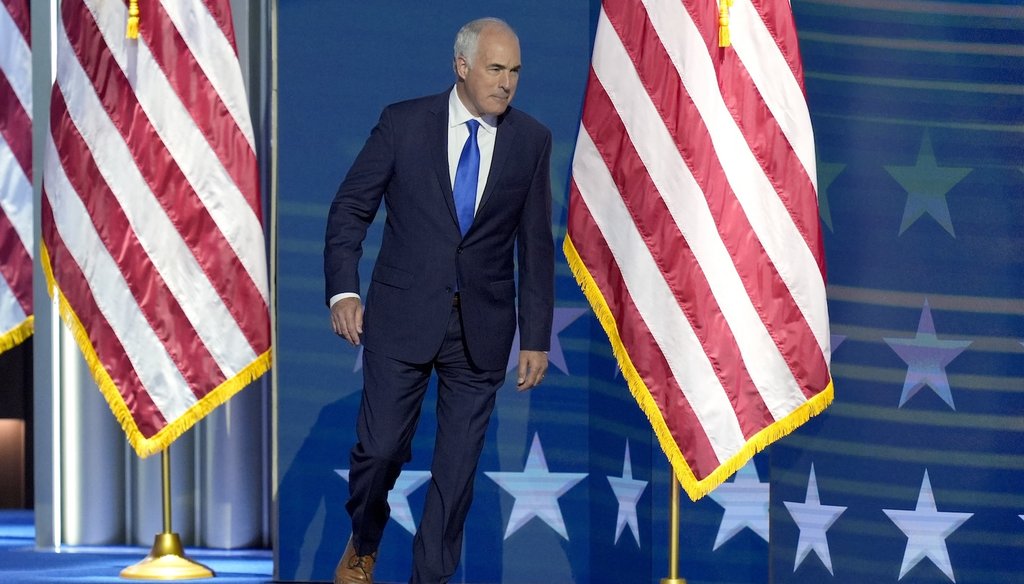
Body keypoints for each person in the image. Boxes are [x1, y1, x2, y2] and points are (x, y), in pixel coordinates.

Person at [323, 17, 554, 584]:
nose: (507, 83)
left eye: (515, 71)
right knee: (379, 452)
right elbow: (351, 208)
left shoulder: (531, 140)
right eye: (496, 69)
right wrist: (344, 290)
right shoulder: (404, 124)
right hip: (402, 318)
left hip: (482, 331)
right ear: (462, 67)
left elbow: (536, 246)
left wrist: (536, 336)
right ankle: (365, 540)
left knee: (455, 476)